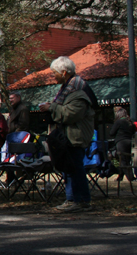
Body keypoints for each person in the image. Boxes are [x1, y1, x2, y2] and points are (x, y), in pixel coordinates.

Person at [38, 56, 96, 212]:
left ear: (64, 72)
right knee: (69, 168)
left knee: (75, 168)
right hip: (69, 137)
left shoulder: (78, 91)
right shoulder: (69, 89)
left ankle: (80, 200)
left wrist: (52, 108)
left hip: (75, 137)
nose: (53, 76)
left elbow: (70, 114)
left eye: (54, 73)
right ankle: (72, 199)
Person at [110, 107, 136, 183]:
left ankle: (131, 178)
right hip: (130, 141)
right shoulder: (130, 122)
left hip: (121, 142)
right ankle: (120, 176)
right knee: (127, 159)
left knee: (123, 160)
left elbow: (111, 133)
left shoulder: (118, 122)